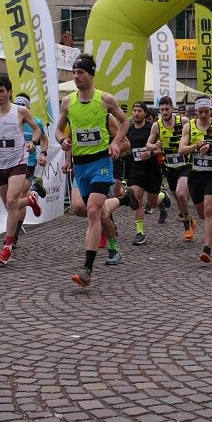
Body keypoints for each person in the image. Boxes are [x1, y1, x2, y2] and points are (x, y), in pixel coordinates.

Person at [55, 54, 136, 287]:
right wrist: (63, 142)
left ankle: (87, 269)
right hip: (80, 165)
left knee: (93, 212)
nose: (76, 76)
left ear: (91, 74)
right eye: (73, 72)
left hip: (101, 162)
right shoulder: (68, 102)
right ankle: (119, 209)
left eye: (80, 72)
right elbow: (59, 131)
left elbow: (124, 122)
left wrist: (115, 142)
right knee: (83, 209)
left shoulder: (105, 100)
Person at [0, 79, 45, 265]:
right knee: (9, 206)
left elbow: (37, 131)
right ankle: (30, 200)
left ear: (9, 92)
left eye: (1, 91)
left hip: (17, 162)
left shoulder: (20, 111)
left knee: (12, 202)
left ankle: (7, 248)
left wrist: (32, 143)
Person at [178, 97, 212, 263]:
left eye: (206, 112)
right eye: (199, 112)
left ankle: (206, 248)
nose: (202, 115)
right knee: (202, 213)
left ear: (211, 111)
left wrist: (210, 146)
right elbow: (181, 150)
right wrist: (195, 147)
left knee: (208, 209)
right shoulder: (189, 127)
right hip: (194, 173)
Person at [147, 96, 196, 239]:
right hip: (169, 166)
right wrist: (154, 145)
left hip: (185, 164)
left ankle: (186, 226)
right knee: (178, 197)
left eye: (167, 109)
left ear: (172, 108)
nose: (164, 112)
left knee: (181, 194)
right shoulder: (157, 125)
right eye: (162, 110)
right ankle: (189, 220)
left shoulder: (184, 122)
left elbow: (196, 136)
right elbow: (148, 144)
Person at [124, 102, 164, 246]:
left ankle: (162, 197)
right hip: (136, 169)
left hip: (152, 169)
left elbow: (163, 149)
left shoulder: (152, 129)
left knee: (152, 204)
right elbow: (126, 147)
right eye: (134, 110)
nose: (136, 113)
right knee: (136, 197)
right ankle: (140, 233)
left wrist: (151, 153)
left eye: (139, 111)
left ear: (145, 114)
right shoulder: (129, 129)